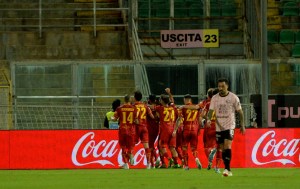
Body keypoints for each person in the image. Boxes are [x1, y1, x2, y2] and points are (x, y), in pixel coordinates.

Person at [206, 78, 246, 177]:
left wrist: (242, 125)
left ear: (227, 86)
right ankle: (226, 167)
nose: (220, 88)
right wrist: (208, 119)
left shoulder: (233, 97)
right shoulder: (215, 98)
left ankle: (227, 169)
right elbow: (211, 110)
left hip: (230, 125)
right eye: (219, 86)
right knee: (222, 148)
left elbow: (240, 112)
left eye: (222, 86)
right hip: (219, 126)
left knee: (227, 146)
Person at [175, 94, 202, 170]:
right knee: (194, 148)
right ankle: (196, 158)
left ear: (185, 100)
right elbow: (200, 120)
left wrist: (175, 129)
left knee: (184, 148)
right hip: (194, 129)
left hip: (186, 129)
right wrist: (199, 129)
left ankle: (186, 166)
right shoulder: (196, 108)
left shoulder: (183, 108)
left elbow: (179, 119)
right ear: (191, 100)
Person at [155, 93, 180, 168]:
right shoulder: (173, 108)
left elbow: (155, 113)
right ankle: (176, 163)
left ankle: (169, 159)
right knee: (172, 148)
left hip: (165, 129)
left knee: (161, 146)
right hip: (173, 129)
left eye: (160, 99)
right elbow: (179, 119)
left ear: (162, 101)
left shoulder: (160, 108)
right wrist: (175, 130)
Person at [200, 88, 222, 173]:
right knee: (220, 147)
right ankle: (217, 168)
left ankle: (210, 160)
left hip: (209, 126)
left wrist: (207, 119)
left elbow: (202, 115)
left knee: (207, 146)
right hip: (220, 127)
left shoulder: (209, 104)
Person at [112, 95, 137, 169]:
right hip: (131, 130)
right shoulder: (134, 108)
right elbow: (136, 120)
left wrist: (112, 118)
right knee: (130, 147)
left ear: (124, 100)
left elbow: (114, 118)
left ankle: (126, 164)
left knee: (123, 147)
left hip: (123, 129)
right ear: (130, 100)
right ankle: (130, 155)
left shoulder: (119, 108)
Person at [133, 90, 155, 169]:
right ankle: (148, 163)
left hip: (136, 128)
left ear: (135, 97)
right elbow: (152, 116)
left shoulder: (133, 106)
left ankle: (130, 159)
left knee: (131, 144)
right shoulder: (145, 106)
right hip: (144, 127)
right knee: (146, 146)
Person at [147, 94, 160, 168]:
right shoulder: (158, 107)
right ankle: (152, 165)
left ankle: (156, 158)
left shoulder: (147, 107)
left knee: (150, 145)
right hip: (157, 128)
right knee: (151, 145)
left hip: (149, 128)